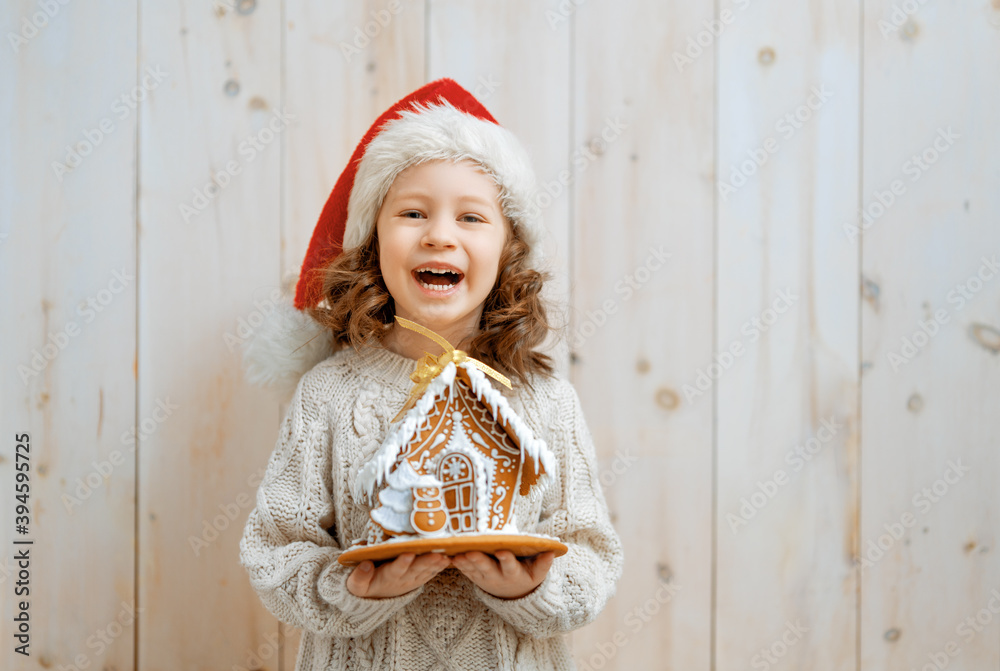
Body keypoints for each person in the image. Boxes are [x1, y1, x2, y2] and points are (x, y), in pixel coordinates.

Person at [238, 78, 623, 671]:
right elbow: (274, 548)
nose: (439, 234)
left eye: (471, 217)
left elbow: (592, 556)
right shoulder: (330, 394)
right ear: (373, 242)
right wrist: (355, 591)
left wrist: (527, 591)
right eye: (413, 212)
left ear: (508, 251)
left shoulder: (547, 400)